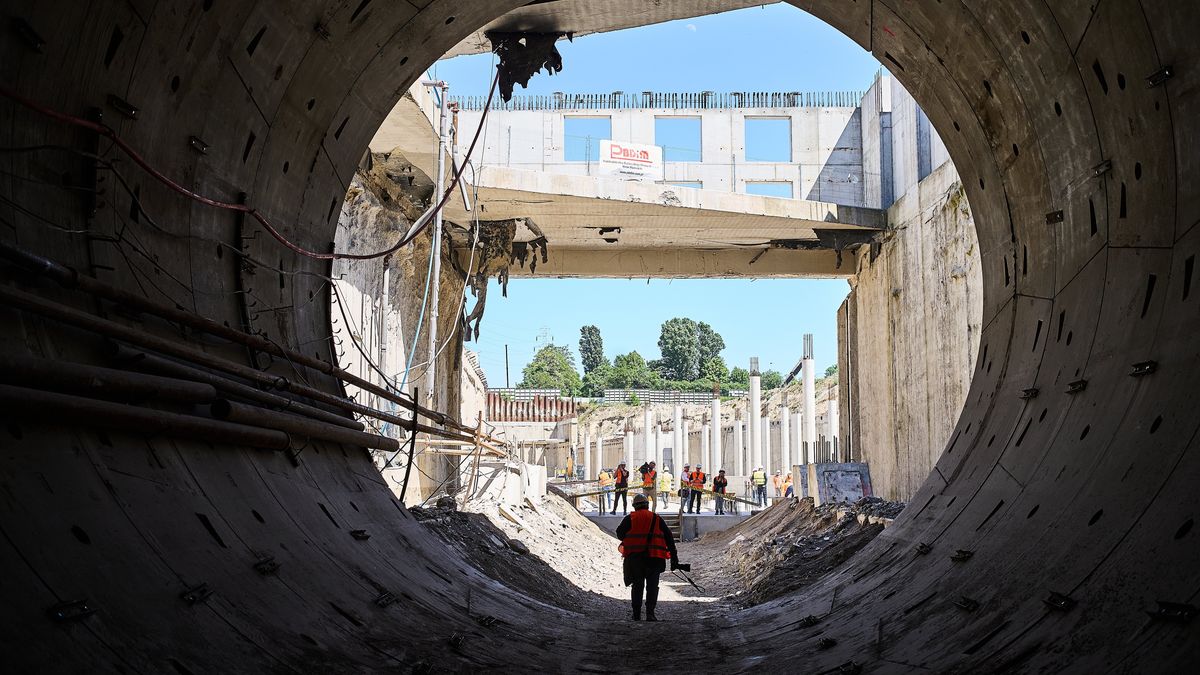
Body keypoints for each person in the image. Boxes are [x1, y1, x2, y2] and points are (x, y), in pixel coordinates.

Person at [616, 493, 680, 621]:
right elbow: (669, 537)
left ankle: (636, 614)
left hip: (635, 558)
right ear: (647, 505)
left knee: (637, 585)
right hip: (654, 558)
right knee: (652, 586)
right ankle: (650, 613)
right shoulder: (656, 518)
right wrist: (674, 557)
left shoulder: (630, 518)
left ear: (634, 506)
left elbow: (620, 534)